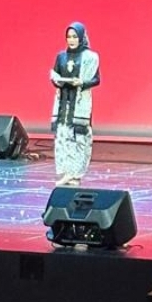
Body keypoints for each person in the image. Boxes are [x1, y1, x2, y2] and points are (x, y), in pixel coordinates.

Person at [50, 21, 101, 187]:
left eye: (74, 36)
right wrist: (57, 81)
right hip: (63, 103)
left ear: (81, 37)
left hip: (79, 104)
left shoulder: (90, 57)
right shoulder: (61, 56)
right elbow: (55, 76)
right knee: (63, 136)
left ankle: (76, 174)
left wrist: (82, 82)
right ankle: (67, 172)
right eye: (69, 37)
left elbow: (96, 79)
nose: (71, 40)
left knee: (78, 138)